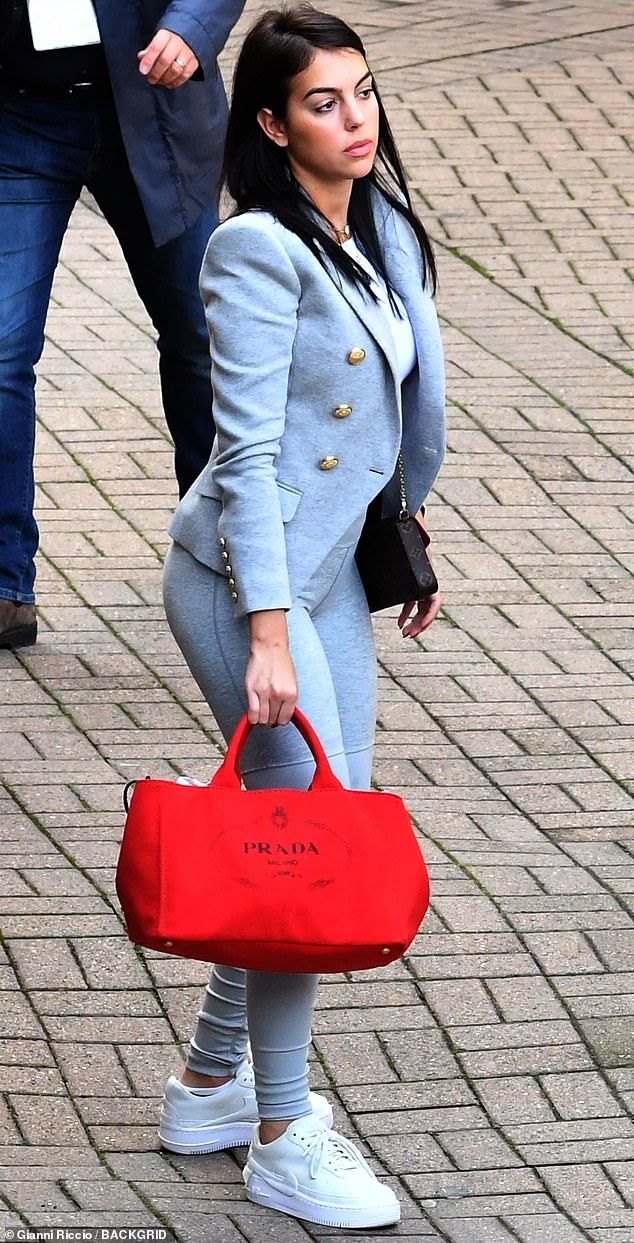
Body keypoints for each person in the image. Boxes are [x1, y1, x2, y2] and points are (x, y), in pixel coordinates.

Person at [160, 4, 445, 1230]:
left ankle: (211, 1085)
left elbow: (384, 412)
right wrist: (269, 635)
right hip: (244, 579)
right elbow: (251, 455)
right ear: (270, 126)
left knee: (306, 840)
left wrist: (406, 537)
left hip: (327, 569)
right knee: (310, 844)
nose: (354, 117)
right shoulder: (255, 252)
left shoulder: (375, 222)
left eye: (364, 92)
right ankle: (281, 1135)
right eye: (322, 103)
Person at [0, 0, 245, 649]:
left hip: (152, 108)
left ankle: (227, 560)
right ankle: (4, 583)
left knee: (203, 339)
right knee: (0, 353)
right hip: (20, 114)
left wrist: (190, 29)